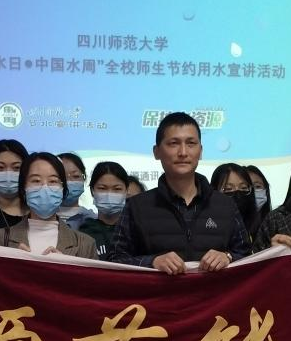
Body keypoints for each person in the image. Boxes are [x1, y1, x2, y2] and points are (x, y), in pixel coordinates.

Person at [108, 112, 250, 274]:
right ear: (156, 151)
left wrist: (228, 257)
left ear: (200, 151)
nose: (183, 152)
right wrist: (152, 261)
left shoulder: (225, 205)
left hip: (214, 291)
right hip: (158, 291)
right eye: (173, 143)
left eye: (191, 143)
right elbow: (114, 260)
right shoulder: (136, 207)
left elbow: (248, 256)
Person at [0, 152, 97, 258]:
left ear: (63, 189)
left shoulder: (85, 244)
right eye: (36, 180)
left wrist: (65, 266)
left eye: (53, 181)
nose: (45, 188)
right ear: (23, 189)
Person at [74, 161, 130, 259]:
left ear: (126, 191)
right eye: (102, 188)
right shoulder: (83, 233)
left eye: (117, 189)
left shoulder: (135, 230)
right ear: (92, 191)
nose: (109, 194)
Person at [209, 162, 259, 249]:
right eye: (228, 189)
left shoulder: (257, 225)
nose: (238, 193)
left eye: (243, 188)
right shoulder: (209, 225)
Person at [57, 152, 96, 226]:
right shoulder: (39, 219)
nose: (68, 182)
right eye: (62, 177)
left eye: (75, 176)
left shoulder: (91, 219)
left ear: (84, 179)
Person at [245, 164, 273, 239]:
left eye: (257, 186)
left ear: (266, 191)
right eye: (246, 187)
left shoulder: (274, 223)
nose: (252, 192)